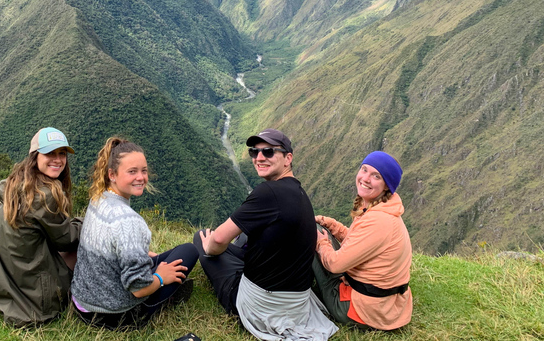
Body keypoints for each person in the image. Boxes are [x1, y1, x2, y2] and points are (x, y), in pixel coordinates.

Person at [194, 128, 338, 340]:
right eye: (255, 152)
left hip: (262, 307)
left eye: (269, 152)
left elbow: (218, 238)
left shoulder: (267, 192)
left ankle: (231, 286)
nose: (259, 157)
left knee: (201, 237)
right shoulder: (299, 191)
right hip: (297, 304)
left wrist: (209, 248)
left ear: (288, 158)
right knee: (244, 237)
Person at [70, 136, 199, 329]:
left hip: (83, 304)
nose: (141, 177)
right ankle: (169, 296)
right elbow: (139, 289)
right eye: (132, 172)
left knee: (160, 259)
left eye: (143, 171)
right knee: (189, 251)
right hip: (113, 316)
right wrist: (161, 277)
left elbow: (108, 242)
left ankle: (169, 284)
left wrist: (143, 254)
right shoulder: (128, 221)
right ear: (112, 174)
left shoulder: (98, 198)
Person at [0, 127, 82, 327]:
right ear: (35, 156)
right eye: (50, 153)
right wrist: (83, 223)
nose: (58, 159)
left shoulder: (12, 184)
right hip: (33, 299)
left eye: (62, 153)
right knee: (82, 246)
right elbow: (66, 240)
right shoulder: (46, 196)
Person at [312, 151, 413, 331]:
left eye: (376, 176)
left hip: (364, 310)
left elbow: (335, 265)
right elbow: (356, 240)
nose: (365, 178)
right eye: (364, 170)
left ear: (386, 186)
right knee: (320, 230)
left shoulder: (379, 221)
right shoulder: (382, 209)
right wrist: (331, 225)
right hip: (386, 305)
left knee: (311, 234)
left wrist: (321, 244)